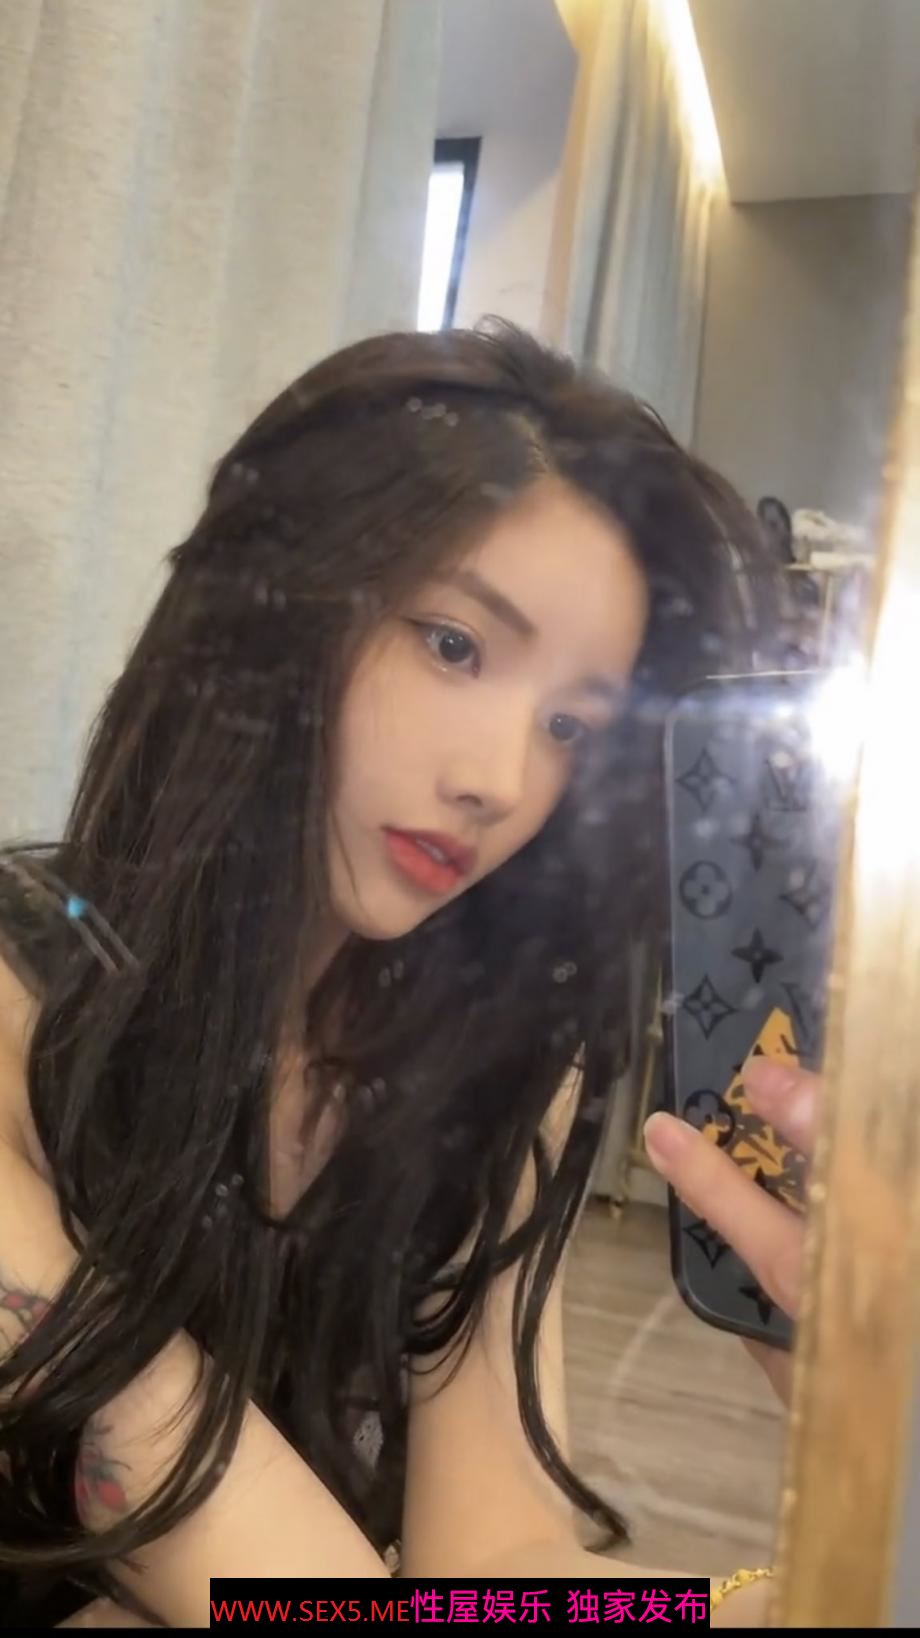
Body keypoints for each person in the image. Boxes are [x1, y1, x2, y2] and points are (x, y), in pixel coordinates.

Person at [0, 320, 797, 1627]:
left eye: (571, 726)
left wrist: (830, 1579)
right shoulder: (18, 1010)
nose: (502, 779)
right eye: (453, 645)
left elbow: (495, 1574)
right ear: (276, 607)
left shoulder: (474, 1062)